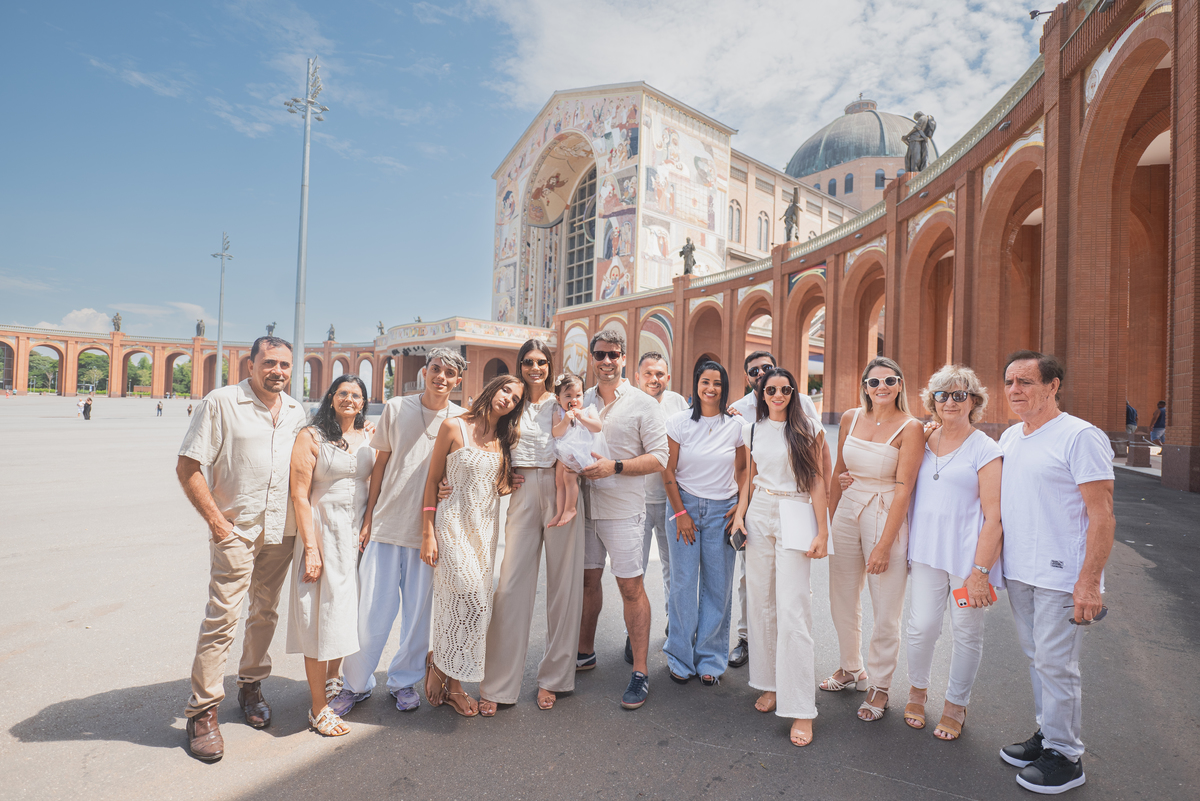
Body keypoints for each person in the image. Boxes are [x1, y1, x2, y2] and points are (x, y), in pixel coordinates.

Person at [175, 336, 306, 762]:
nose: (278, 372)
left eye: (285, 365)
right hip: (237, 530)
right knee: (223, 618)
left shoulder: (295, 411)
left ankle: (250, 686)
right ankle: (203, 711)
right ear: (250, 365)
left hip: (280, 531)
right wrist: (217, 524)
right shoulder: (221, 402)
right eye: (269, 363)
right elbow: (188, 465)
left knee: (265, 612)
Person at [997, 351, 1114, 794]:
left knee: (1057, 664)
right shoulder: (1011, 437)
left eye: (1025, 382)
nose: (1014, 391)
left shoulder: (1080, 436)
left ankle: (1066, 756)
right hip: (1020, 572)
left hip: (1063, 576)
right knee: (1037, 659)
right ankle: (1049, 734)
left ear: (1053, 386)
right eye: (1009, 382)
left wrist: (1089, 581)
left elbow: (1102, 515)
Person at [331, 348, 467, 717]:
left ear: (458, 381)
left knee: (418, 616)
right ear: (425, 372)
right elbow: (382, 462)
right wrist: (370, 516)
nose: (441, 376)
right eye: (436, 369)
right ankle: (355, 685)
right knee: (372, 611)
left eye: (450, 372)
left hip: (430, 532)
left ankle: (403, 682)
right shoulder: (396, 407)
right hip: (388, 523)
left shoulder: (461, 419)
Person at [477, 339, 587, 715]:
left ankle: (554, 679)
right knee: (510, 587)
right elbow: (482, 438)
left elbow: (589, 432)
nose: (535, 368)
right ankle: (498, 684)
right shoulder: (510, 402)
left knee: (564, 587)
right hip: (523, 493)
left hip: (562, 490)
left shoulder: (563, 398)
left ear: (550, 365)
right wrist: (505, 476)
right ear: (519, 365)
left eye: (541, 362)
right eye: (528, 362)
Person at [900, 365, 1003, 741]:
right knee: (922, 626)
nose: (950, 402)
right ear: (933, 401)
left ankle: (956, 704)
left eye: (959, 394)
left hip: (967, 559)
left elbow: (995, 516)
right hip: (927, 552)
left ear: (974, 401)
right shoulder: (922, 440)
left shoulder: (986, 448)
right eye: (942, 395)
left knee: (966, 632)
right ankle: (916, 690)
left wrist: (981, 571)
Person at [730, 367, 829, 747]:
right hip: (760, 512)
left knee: (793, 609)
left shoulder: (807, 428)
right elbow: (748, 475)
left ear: (793, 392)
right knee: (761, 603)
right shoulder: (751, 429)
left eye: (785, 389)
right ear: (760, 392)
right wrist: (741, 512)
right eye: (770, 389)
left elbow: (817, 480)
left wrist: (822, 530)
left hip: (796, 511)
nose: (777, 395)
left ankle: (801, 707)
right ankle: (770, 684)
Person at [822, 356, 923, 722]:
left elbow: (905, 488)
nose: (882, 388)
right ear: (864, 386)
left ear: (900, 385)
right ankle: (852, 668)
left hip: (885, 513)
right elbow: (838, 472)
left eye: (890, 381)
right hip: (848, 509)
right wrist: (827, 525)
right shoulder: (850, 418)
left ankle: (880, 685)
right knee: (842, 595)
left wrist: (885, 544)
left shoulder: (911, 427)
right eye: (874, 382)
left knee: (886, 606)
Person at [420, 375, 524, 717]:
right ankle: (449, 677)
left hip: (484, 532)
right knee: (469, 598)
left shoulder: (504, 439)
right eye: (505, 390)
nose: (508, 399)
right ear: (492, 389)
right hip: (451, 525)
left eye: (515, 397)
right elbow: (433, 481)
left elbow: (494, 485)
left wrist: (511, 481)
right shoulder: (453, 426)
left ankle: (445, 671)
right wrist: (427, 533)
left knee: (469, 606)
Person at [576, 330, 668, 710]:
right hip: (584, 508)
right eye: (600, 354)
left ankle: (641, 671)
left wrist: (614, 467)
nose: (607, 360)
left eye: (614, 354)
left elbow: (659, 457)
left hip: (624, 510)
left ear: (624, 358)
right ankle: (584, 651)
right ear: (592, 358)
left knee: (631, 588)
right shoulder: (580, 401)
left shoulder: (644, 404)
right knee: (587, 581)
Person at [287, 374, 375, 737]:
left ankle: (334, 678)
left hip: (354, 536)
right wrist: (311, 549)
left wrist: (368, 523)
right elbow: (299, 495)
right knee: (317, 614)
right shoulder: (311, 436)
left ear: (363, 401)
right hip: (322, 532)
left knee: (344, 611)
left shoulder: (368, 436)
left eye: (356, 395)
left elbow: (377, 481)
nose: (349, 399)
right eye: (343, 393)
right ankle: (318, 706)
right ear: (331, 397)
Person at [661, 361, 746, 686]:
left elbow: (742, 470)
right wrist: (681, 514)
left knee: (718, 587)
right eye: (705, 382)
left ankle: (710, 658)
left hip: (722, 511)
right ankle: (680, 657)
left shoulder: (735, 426)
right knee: (683, 586)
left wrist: (740, 505)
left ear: (725, 387)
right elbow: (667, 470)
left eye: (717, 383)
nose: (711, 388)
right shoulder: (678, 422)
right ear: (696, 384)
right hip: (685, 507)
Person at [635, 352, 690, 655]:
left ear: (667, 377)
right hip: (637, 502)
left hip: (671, 502)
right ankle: (636, 631)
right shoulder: (629, 401)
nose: (654, 379)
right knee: (636, 570)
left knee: (673, 568)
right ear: (638, 375)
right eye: (648, 374)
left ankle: (675, 626)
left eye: (659, 374)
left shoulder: (678, 402)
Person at [548, 373, 602, 528]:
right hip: (562, 452)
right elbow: (556, 433)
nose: (574, 400)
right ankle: (560, 511)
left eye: (578, 395)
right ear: (559, 399)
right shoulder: (558, 414)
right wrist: (565, 420)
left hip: (579, 451)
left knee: (568, 478)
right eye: (568, 396)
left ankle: (570, 508)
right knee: (559, 481)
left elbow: (597, 427)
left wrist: (582, 418)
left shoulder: (588, 410)